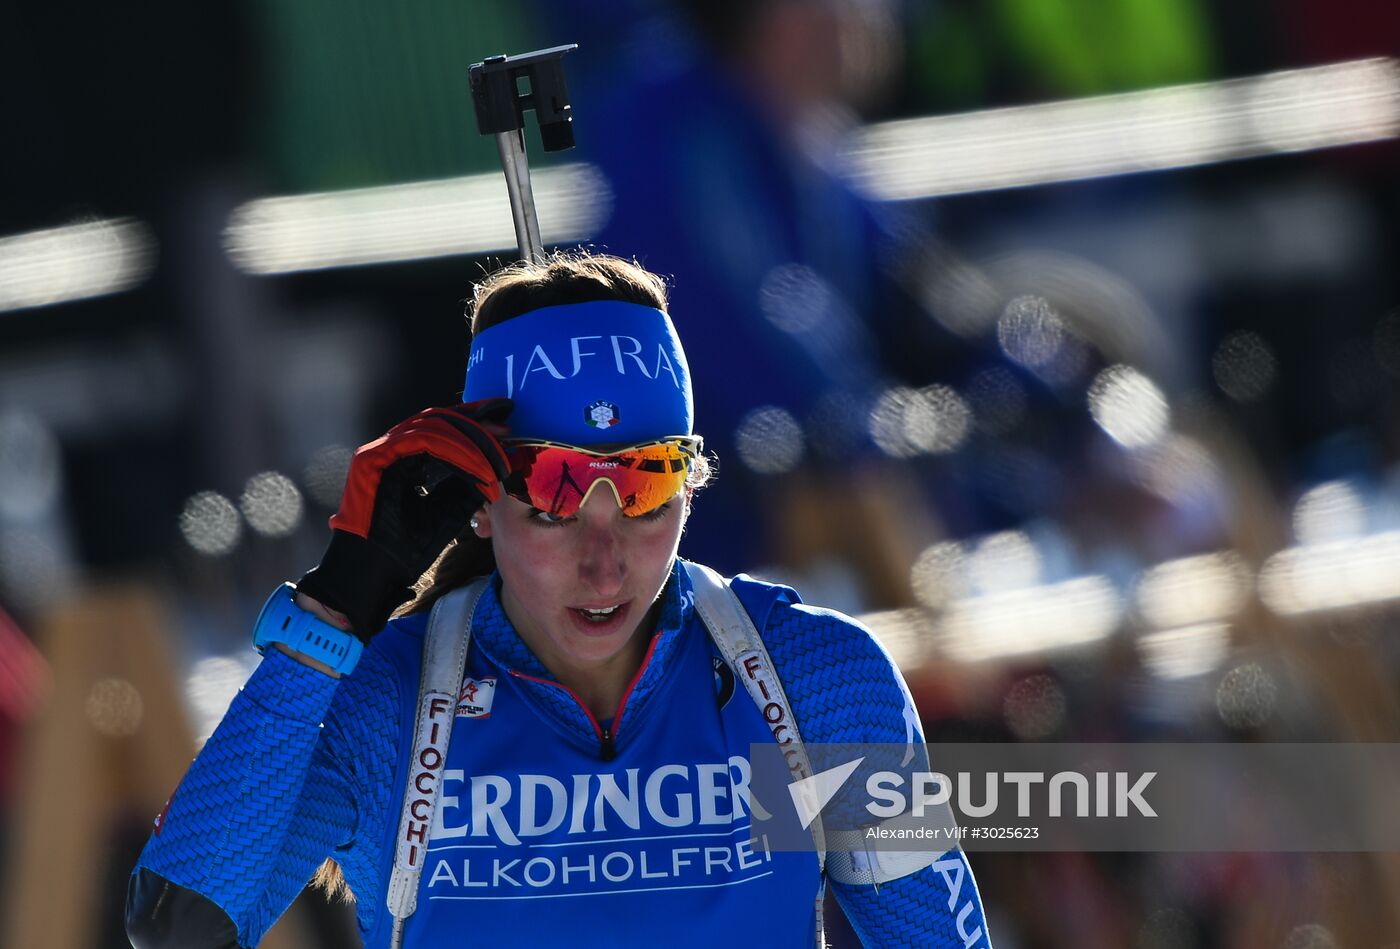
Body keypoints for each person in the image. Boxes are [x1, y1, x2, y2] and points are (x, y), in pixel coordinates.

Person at [125, 251, 993, 948]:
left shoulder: (812, 689)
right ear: (481, 499)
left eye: (647, 485)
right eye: (553, 495)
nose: (604, 562)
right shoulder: (394, 707)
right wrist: (335, 611)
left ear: (692, 482)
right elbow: (183, 926)